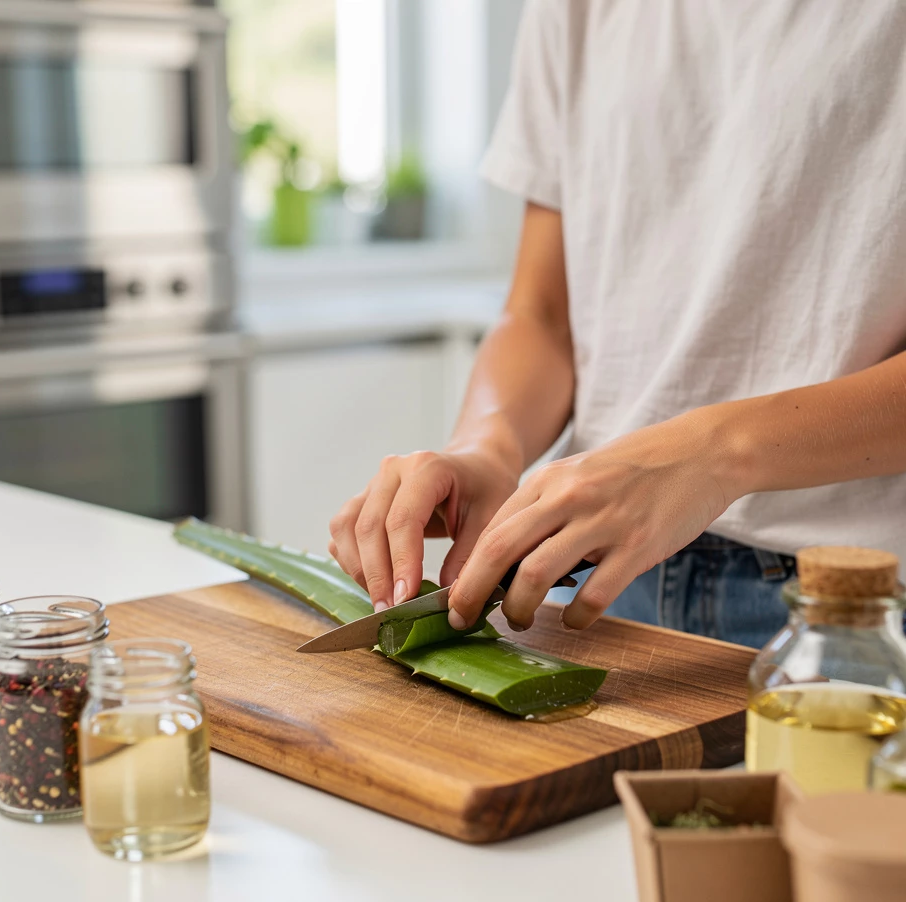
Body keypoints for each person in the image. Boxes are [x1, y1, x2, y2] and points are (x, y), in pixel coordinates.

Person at [329, 0, 906, 650]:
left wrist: (709, 455)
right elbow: (543, 314)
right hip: (602, 587)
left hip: (859, 605)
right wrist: (487, 449)